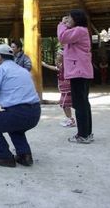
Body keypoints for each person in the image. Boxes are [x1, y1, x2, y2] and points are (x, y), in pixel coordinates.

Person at [57, 9, 94, 144]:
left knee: (79, 105)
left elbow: (62, 37)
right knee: (83, 104)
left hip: (78, 72)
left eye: (69, 18)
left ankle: (83, 135)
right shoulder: (80, 31)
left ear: (76, 19)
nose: (68, 20)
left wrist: (61, 24)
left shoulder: (79, 30)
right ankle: (87, 133)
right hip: (81, 72)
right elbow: (64, 42)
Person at [42, 50, 76, 127]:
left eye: (58, 54)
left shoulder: (66, 65)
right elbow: (55, 68)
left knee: (65, 105)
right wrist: (45, 65)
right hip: (63, 90)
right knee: (64, 104)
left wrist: (45, 65)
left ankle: (71, 120)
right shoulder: (61, 65)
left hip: (67, 89)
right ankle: (69, 119)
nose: (57, 56)